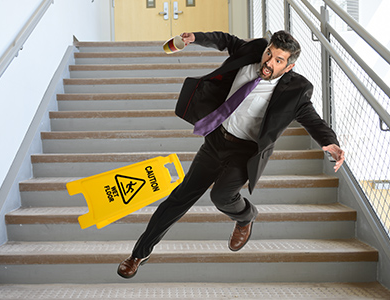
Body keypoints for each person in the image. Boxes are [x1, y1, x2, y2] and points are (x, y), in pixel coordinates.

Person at [117, 31, 345, 279]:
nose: (269, 62)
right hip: (216, 140)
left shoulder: (297, 89)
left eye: (278, 60)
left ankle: (246, 216)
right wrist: (196, 38)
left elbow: (312, 119)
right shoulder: (253, 52)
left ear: (289, 66)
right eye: (269, 53)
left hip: (244, 153)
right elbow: (226, 40)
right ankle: (138, 254)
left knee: (221, 196)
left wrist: (330, 143)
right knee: (179, 199)